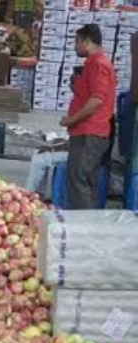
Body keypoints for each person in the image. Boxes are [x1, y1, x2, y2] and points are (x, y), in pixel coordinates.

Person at [62, 24, 116, 209]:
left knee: (78, 181)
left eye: (77, 42)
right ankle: (88, 224)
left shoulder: (99, 65)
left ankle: (82, 227)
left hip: (90, 131)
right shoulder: (92, 64)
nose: (75, 46)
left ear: (87, 42)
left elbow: (96, 100)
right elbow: (88, 94)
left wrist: (72, 119)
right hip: (87, 131)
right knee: (86, 181)